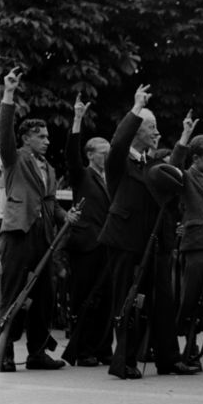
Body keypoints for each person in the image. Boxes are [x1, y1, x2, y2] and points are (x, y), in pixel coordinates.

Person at [99, 86, 197, 380]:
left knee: (163, 302)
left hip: (153, 243)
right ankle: (124, 361)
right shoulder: (119, 161)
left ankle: (169, 359)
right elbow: (117, 143)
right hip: (125, 240)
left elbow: (170, 175)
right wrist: (136, 108)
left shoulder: (149, 162)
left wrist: (184, 139)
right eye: (151, 126)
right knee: (128, 301)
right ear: (138, 129)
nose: (156, 132)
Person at [0, 66, 78, 371]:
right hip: (18, 233)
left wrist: (65, 216)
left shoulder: (50, 169)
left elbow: (49, 204)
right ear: (27, 139)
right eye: (41, 136)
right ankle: (4, 354)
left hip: (44, 237)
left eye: (47, 136)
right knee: (11, 295)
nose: (47, 140)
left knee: (45, 296)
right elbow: (4, 130)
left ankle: (37, 353)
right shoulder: (14, 158)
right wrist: (8, 94)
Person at [62, 94, 112, 366]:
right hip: (86, 244)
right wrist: (78, 119)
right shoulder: (82, 175)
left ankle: (103, 347)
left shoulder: (111, 178)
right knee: (85, 298)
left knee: (105, 299)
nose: (107, 157)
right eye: (103, 153)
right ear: (91, 155)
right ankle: (82, 350)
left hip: (106, 243)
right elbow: (70, 155)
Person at [173, 133, 203, 368]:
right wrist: (183, 140)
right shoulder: (186, 177)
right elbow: (172, 166)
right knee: (191, 297)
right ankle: (188, 344)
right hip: (196, 244)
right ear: (195, 158)